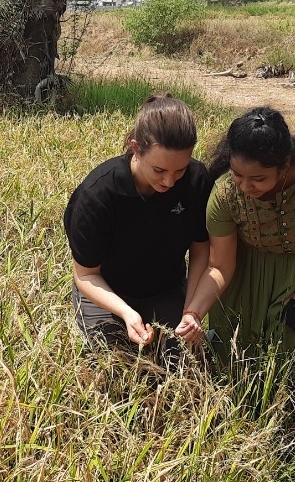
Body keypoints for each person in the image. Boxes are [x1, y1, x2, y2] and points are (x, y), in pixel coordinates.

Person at [178, 107, 295, 366]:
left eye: (258, 178)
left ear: (285, 163)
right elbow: (219, 265)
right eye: (237, 174)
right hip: (245, 276)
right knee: (239, 364)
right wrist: (194, 312)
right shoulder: (225, 194)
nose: (245, 187)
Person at [64, 93, 211, 353]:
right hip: (107, 292)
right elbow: (86, 275)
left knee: (182, 357)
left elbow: (201, 250)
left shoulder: (196, 180)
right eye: (159, 170)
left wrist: (191, 310)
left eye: (180, 170)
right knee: (114, 361)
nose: (169, 182)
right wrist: (126, 313)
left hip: (166, 289)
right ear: (135, 148)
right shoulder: (98, 194)